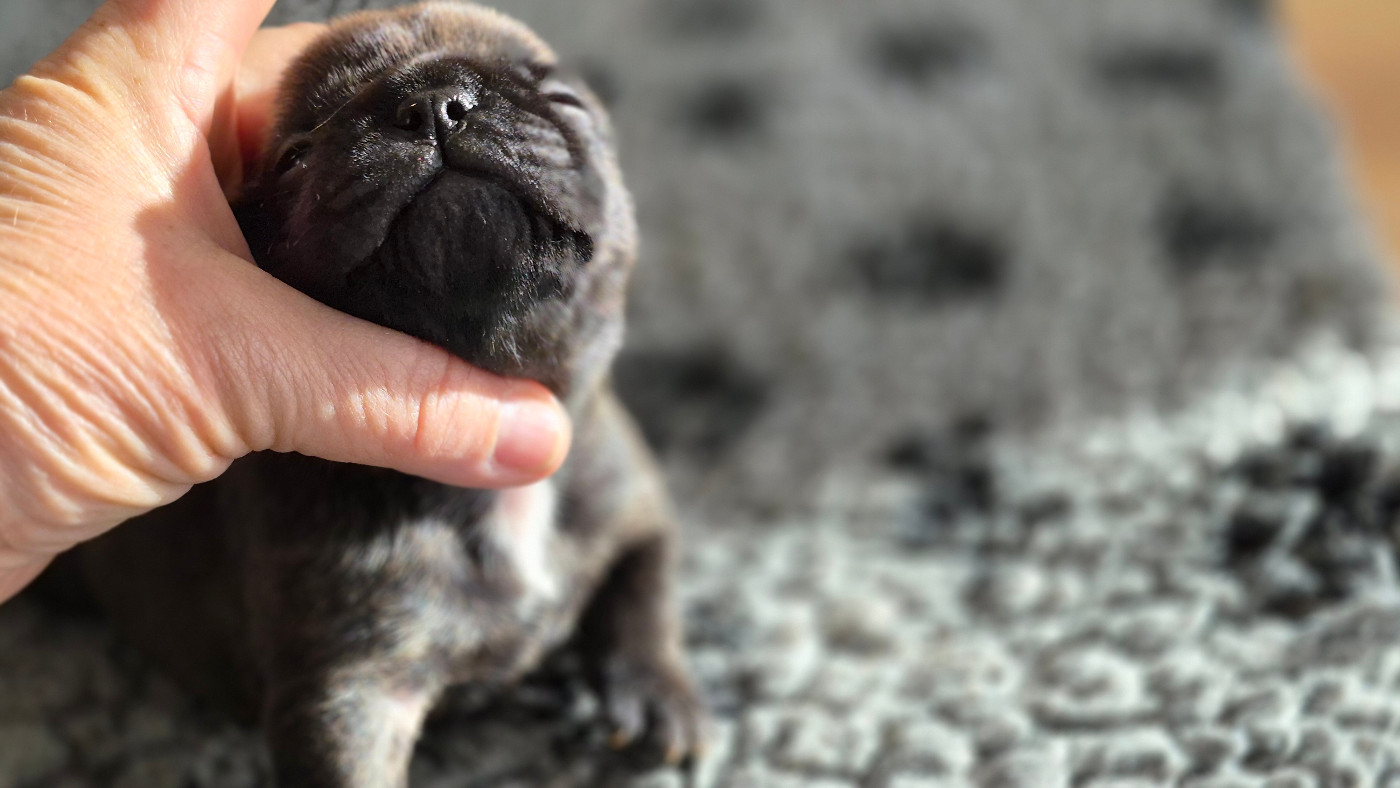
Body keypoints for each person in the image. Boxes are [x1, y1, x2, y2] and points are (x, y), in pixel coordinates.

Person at [0, 0, 573, 604]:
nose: (438, 112)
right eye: (300, 158)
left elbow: (637, 537)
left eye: (557, 104)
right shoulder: (319, 540)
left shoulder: (602, 447)